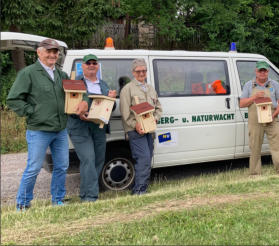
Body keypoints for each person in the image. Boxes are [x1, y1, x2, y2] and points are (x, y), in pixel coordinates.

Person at [7, 39, 84, 210]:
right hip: (39, 130)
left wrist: (83, 102)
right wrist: (33, 112)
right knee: (33, 168)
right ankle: (23, 204)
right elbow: (13, 99)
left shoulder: (61, 75)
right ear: (39, 53)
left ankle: (57, 200)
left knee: (62, 166)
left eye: (55, 52)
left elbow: (78, 91)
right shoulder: (28, 73)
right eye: (48, 51)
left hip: (60, 130)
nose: (52, 55)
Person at [67, 54, 117, 202]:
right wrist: (79, 113)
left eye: (94, 63)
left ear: (97, 66)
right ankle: (91, 197)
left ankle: (85, 193)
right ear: (83, 66)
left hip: (98, 127)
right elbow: (70, 105)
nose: (91, 65)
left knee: (98, 160)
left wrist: (112, 99)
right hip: (80, 126)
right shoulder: (75, 83)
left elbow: (110, 107)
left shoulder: (103, 84)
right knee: (88, 158)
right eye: (88, 63)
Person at [119, 58, 162, 195]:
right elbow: (125, 113)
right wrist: (135, 125)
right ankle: (139, 191)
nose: (141, 73)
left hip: (149, 131)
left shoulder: (150, 88)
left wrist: (154, 119)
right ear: (133, 72)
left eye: (144, 71)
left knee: (147, 159)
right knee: (143, 159)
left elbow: (158, 108)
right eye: (138, 71)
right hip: (135, 131)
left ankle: (140, 188)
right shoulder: (127, 89)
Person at [239, 61, 279, 175]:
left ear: (268, 71)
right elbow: (241, 104)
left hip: (272, 119)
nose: (262, 73)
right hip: (255, 120)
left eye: (264, 70)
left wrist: (274, 115)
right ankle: (255, 173)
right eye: (260, 70)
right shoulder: (248, 85)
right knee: (255, 146)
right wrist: (254, 97)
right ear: (256, 71)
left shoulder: (275, 84)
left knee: (278, 144)